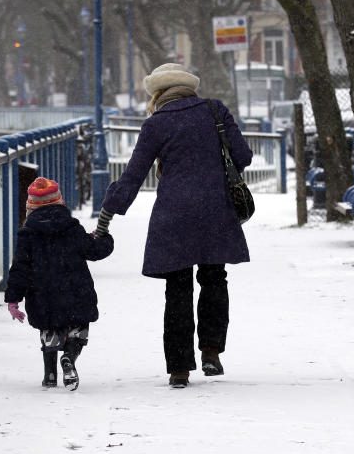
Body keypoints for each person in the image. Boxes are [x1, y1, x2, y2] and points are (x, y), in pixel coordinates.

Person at [94, 63, 252, 388]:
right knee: (213, 278)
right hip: (214, 210)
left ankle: (179, 369)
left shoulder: (156, 124)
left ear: (158, 94)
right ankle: (211, 351)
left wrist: (107, 214)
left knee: (177, 288)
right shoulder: (214, 110)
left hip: (174, 214)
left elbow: (133, 175)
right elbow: (244, 156)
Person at [6, 177, 114, 390]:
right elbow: (92, 250)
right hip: (75, 290)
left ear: (30, 207)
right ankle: (69, 358)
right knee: (78, 329)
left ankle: (50, 376)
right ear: (59, 202)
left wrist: (13, 299)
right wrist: (105, 238)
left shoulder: (27, 234)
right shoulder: (71, 227)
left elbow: (20, 268)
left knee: (49, 330)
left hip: (42, 294)